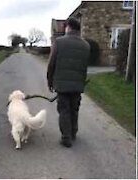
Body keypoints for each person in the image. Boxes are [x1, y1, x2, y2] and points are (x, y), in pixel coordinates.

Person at [47, 18, 90, 147]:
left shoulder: (59, 42)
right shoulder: (86, 45)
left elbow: (51, 64)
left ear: (69, 27)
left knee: (64, 110)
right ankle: (73, 132)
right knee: (74, 109)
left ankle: (66, 137)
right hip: (78, 85)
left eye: (65, 27)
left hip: (62, 85)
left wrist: (50, 81)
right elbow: (84, 67)